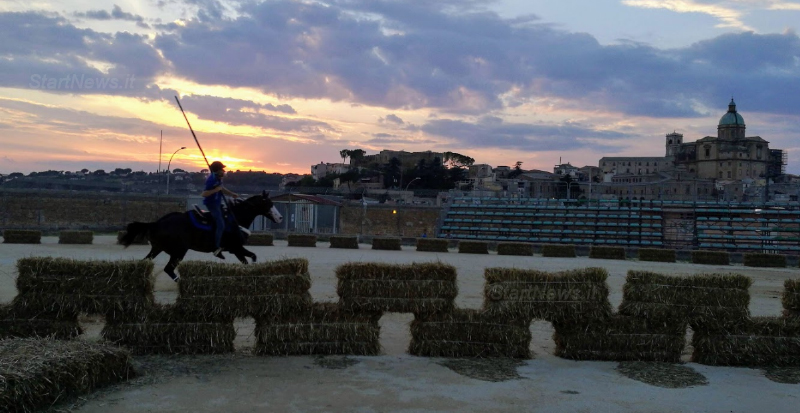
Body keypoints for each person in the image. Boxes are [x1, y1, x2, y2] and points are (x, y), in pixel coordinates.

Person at [200, 161, 238, 257]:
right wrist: (215, 190)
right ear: (217, 170)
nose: (224, 171)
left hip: (217, 204)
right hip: (212, 204)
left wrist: (232, 194)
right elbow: (204, 194)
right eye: (222, 169)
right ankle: (216, 247)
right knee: (220, 224)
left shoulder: (218, 178)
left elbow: (222, 189)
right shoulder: (211, 180)